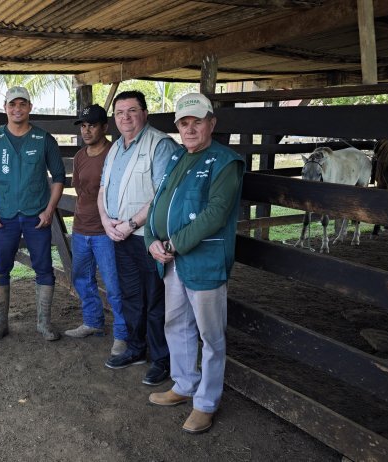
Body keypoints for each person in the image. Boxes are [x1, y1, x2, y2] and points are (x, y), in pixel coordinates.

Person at [144, 93, 244, 434]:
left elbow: (216, 214)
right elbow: (158, 202)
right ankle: (184, 384)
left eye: (196, 122)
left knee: (211, 336)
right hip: (171, 260)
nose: (189, 129)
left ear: (211, 124)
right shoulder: (177, 159)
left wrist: (174, 244)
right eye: (184, 123)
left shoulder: (225, 162)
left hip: (203, 261)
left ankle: (206, 402)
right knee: (176, 324)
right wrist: (150, 240)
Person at [0, 86, 66, 342]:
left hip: (36, 216)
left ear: (29, 108)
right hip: (3, 218)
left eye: (22, 104)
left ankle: (44, 323)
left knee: (44, 268)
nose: (17, 109)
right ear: (5, 108)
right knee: (0, 268)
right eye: (12, 104)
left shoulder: (43, 139)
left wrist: (49, 211)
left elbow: (59, 177)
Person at [98, 90, 175, 386]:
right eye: (120, 113)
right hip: (120, 236)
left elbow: (162, 195)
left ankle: (161, 359)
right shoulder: (117, 147)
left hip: (147, 237)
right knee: (132, 296)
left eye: (131, 111)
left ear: (144, 113)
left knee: (156, 300)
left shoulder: (160, 144)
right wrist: (106, 221)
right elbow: (103, 189)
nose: (125, 117)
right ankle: (136, 348)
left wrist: (130, 224)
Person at [64, 104, 128, 356]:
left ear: (104, 127)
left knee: (114, 284)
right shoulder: (80, 156)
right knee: (81, 278)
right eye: (83, 125)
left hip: (106, 231)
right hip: (81, 228)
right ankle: (92, 322)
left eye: (92, 125)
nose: (86, 130)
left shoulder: (116, 153)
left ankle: (122, 334)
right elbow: (79, 189)